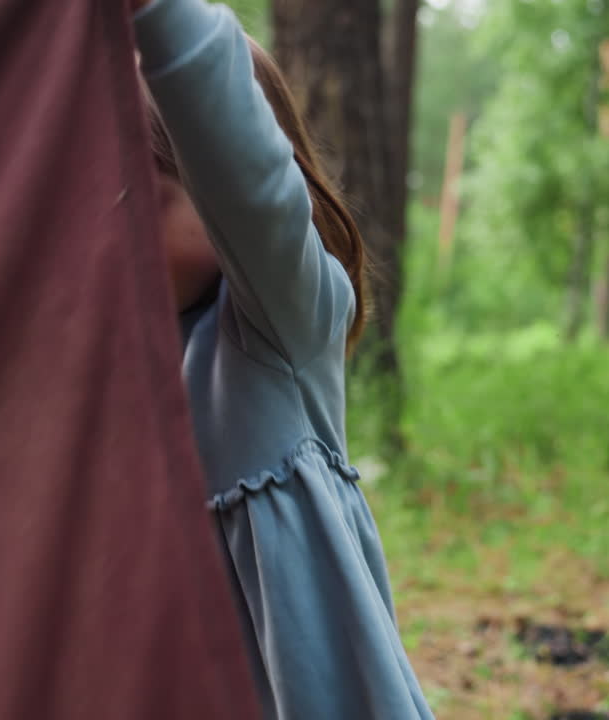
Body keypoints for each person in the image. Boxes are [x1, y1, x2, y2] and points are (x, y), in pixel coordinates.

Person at [130, 1, 436, 718]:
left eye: (145, 199)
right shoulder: (116, 356)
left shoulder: (276, 323)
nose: (116, 234)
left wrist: (155, 15)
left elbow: (242, 174)